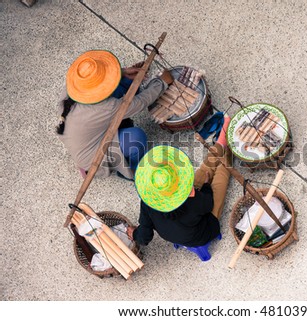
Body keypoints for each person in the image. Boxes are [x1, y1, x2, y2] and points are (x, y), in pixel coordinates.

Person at [57, 50, 173, 180]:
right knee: (135, 138)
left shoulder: (75, 85)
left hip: (84, 138)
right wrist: (162, 82)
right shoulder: (104, 107)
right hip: (91, 157)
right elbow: (140, 102)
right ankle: (134, 172)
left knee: (121, 86)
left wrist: (122, 73)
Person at [127, 115, 232, 247]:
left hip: (178, 232)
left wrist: (135, 234)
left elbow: (144, 237)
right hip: (200, 233)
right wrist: (205, 186)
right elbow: (208, 204)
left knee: (204, 169)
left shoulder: (148, 201)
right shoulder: (193, 201)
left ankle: (221, 144)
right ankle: (227, 150)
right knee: (221, 176)